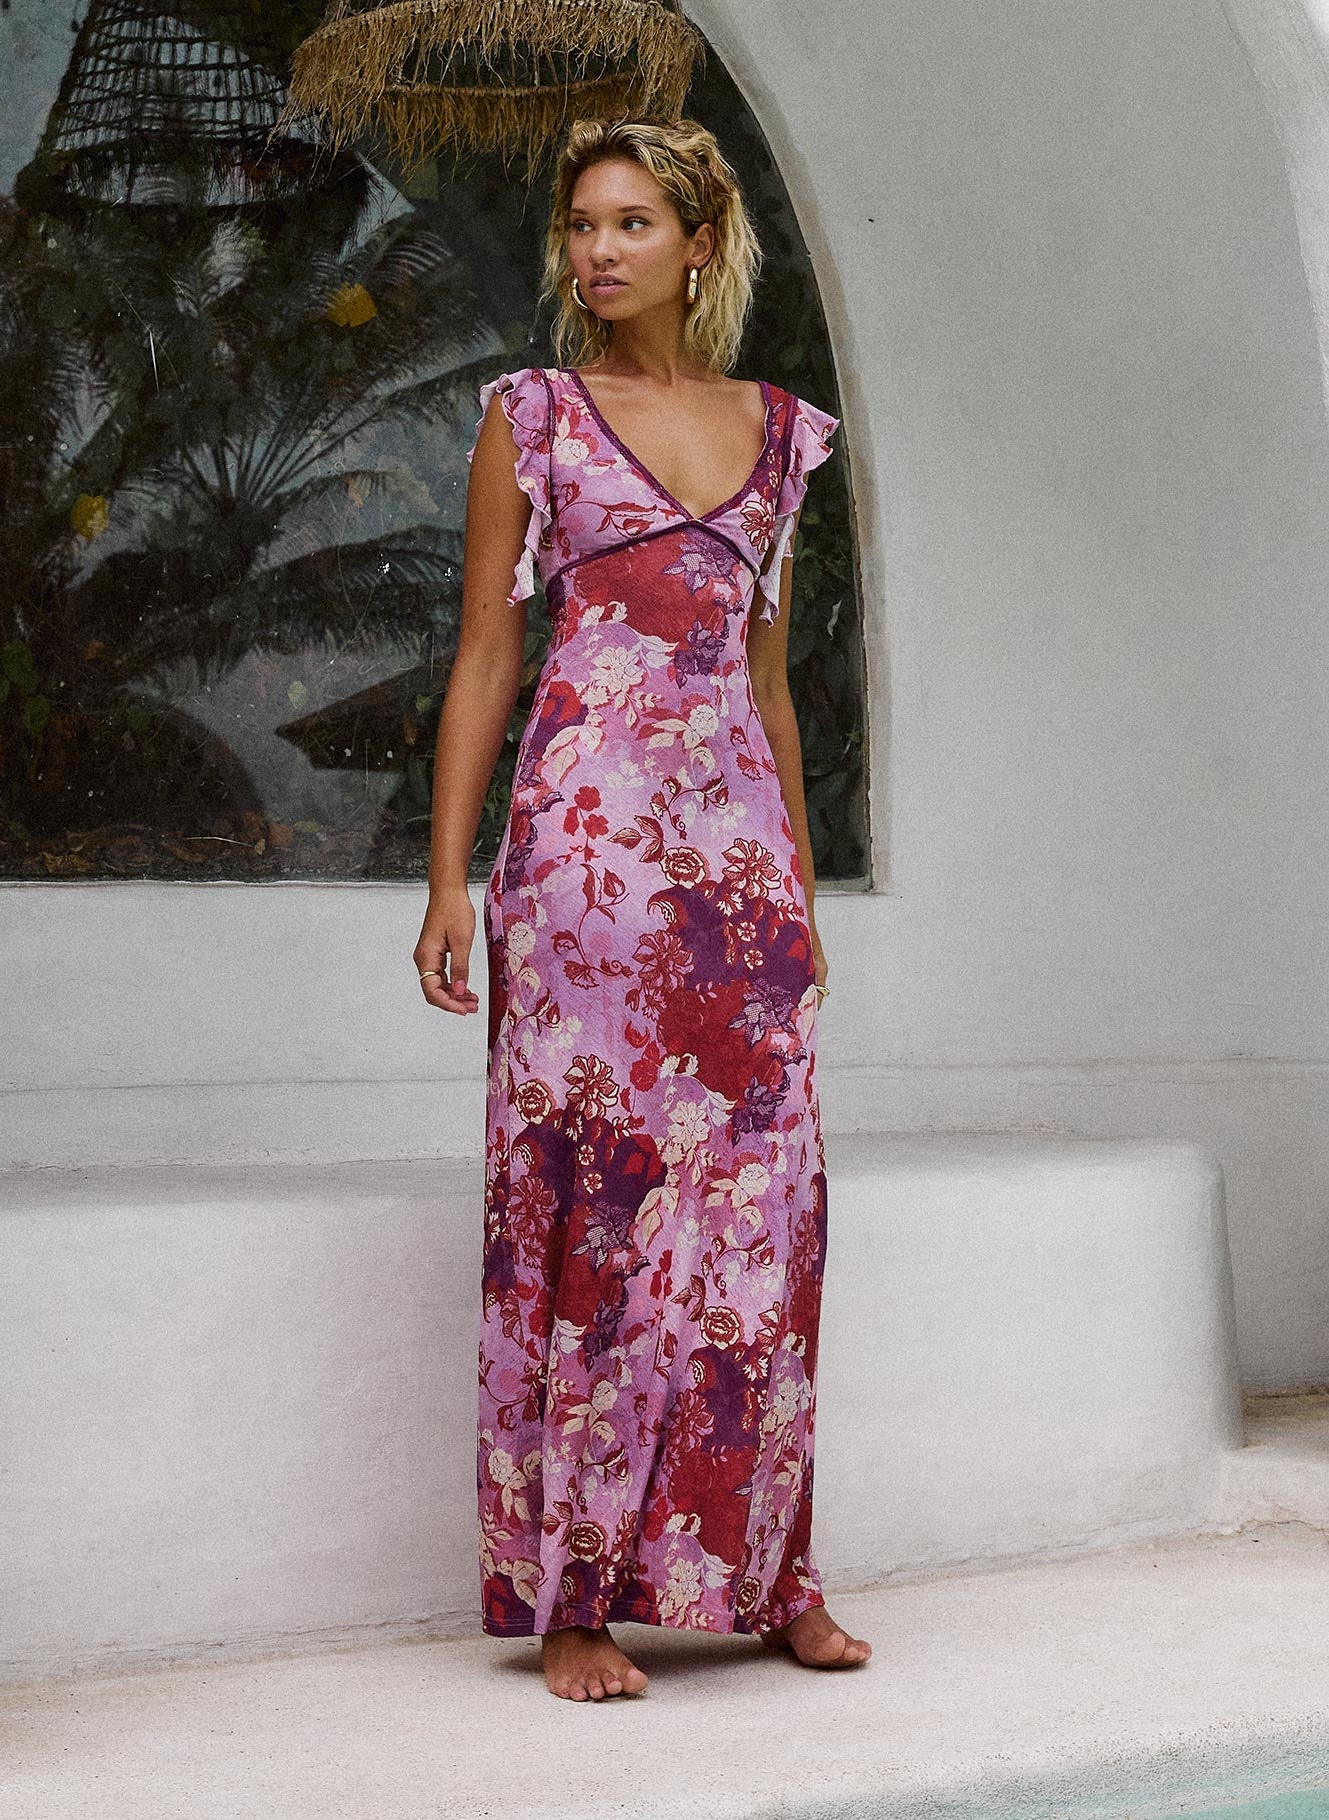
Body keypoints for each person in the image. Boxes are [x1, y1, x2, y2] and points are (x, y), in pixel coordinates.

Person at [414, 113, 869, 1702]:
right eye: (581, 225)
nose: (597, 251)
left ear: (698, 242)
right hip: (582, 872)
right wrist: (449, 877)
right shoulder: (533, 417)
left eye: (629, 223)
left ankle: (770, 1574)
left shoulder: (786, 435)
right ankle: (577, 1601)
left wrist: (796, 886)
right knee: (595, 1202)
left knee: (765, 1212)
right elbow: (487, 655)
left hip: (736, 874)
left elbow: (770, 683)